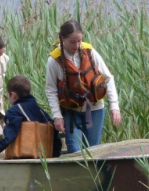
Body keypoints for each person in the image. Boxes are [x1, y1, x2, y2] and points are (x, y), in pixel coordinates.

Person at [45, 20, 121, 153]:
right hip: (70, 111)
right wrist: (57, 116)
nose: (77, 45)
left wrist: (114, 106)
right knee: (74, 150)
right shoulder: (54, 60)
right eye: (72, 42)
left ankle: (90, 174)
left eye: (79, 41)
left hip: (95, 109)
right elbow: (51, 90)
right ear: (62, 38)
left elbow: (108, 78)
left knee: (92, 151)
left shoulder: (90, 52)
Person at [0, 75, 62, 160]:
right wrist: (55, 156)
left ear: (13, 95)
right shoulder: (41, 111)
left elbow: (7, 139)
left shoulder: (13, 112)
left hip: (25, 158)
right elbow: (55, 133)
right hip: (45, 158)